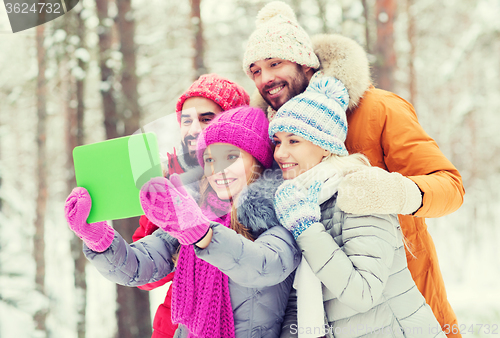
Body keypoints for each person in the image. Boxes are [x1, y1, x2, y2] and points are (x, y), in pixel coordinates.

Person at [243, 2, 465, 336]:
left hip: (402, 295)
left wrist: (397, 192)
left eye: (275, 63)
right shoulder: (270, 133)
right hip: (324, 311)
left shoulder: (378, 109)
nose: (266, 79)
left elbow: (450, 187)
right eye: (256, 71)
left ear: (305, 63)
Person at [64, 106, 301, 338]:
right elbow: (140, 265)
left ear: (257, 160)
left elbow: (264, 266)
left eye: (231, 156)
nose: (218, 169)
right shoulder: (192, 211)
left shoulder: (279, 216)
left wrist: (202, 233)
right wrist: (99, 238)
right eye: (210, 159)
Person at [270, 75, 446, 338]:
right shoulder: (301, 200)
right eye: (278, 141)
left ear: (326, 146)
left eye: (293, 141)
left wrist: (306, 228)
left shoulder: (359, 190)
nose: (280, 153)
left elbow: (363, 293)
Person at [131, 74, 250, 337]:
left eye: (206, 118)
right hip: (175, 326)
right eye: (186, 120)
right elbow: (149, 279)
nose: (193, 128)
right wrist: (159, 207)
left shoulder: (252, 185)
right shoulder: (175, 179)